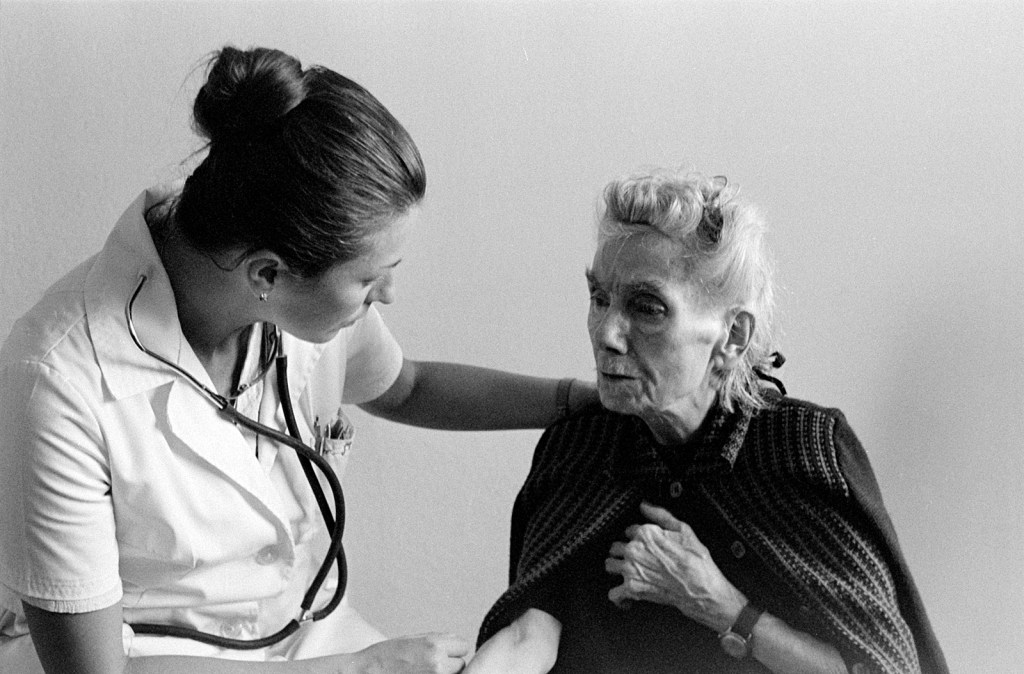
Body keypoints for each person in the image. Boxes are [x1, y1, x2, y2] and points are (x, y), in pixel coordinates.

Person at [0, 46, 595, 674]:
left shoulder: (268, 264)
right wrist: (359, 670)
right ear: (269, 274)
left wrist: (576, 401)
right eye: (371, 280)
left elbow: (408, 388)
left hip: (306, 637)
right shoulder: (58, 387)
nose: (387, 296)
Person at [466, 169, 948, 674]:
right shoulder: (579, 446)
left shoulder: (804, 451)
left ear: (732, 336)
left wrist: (723, 605)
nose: (607, 332)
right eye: (599, 298)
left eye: (647, 308)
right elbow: (530, 634)